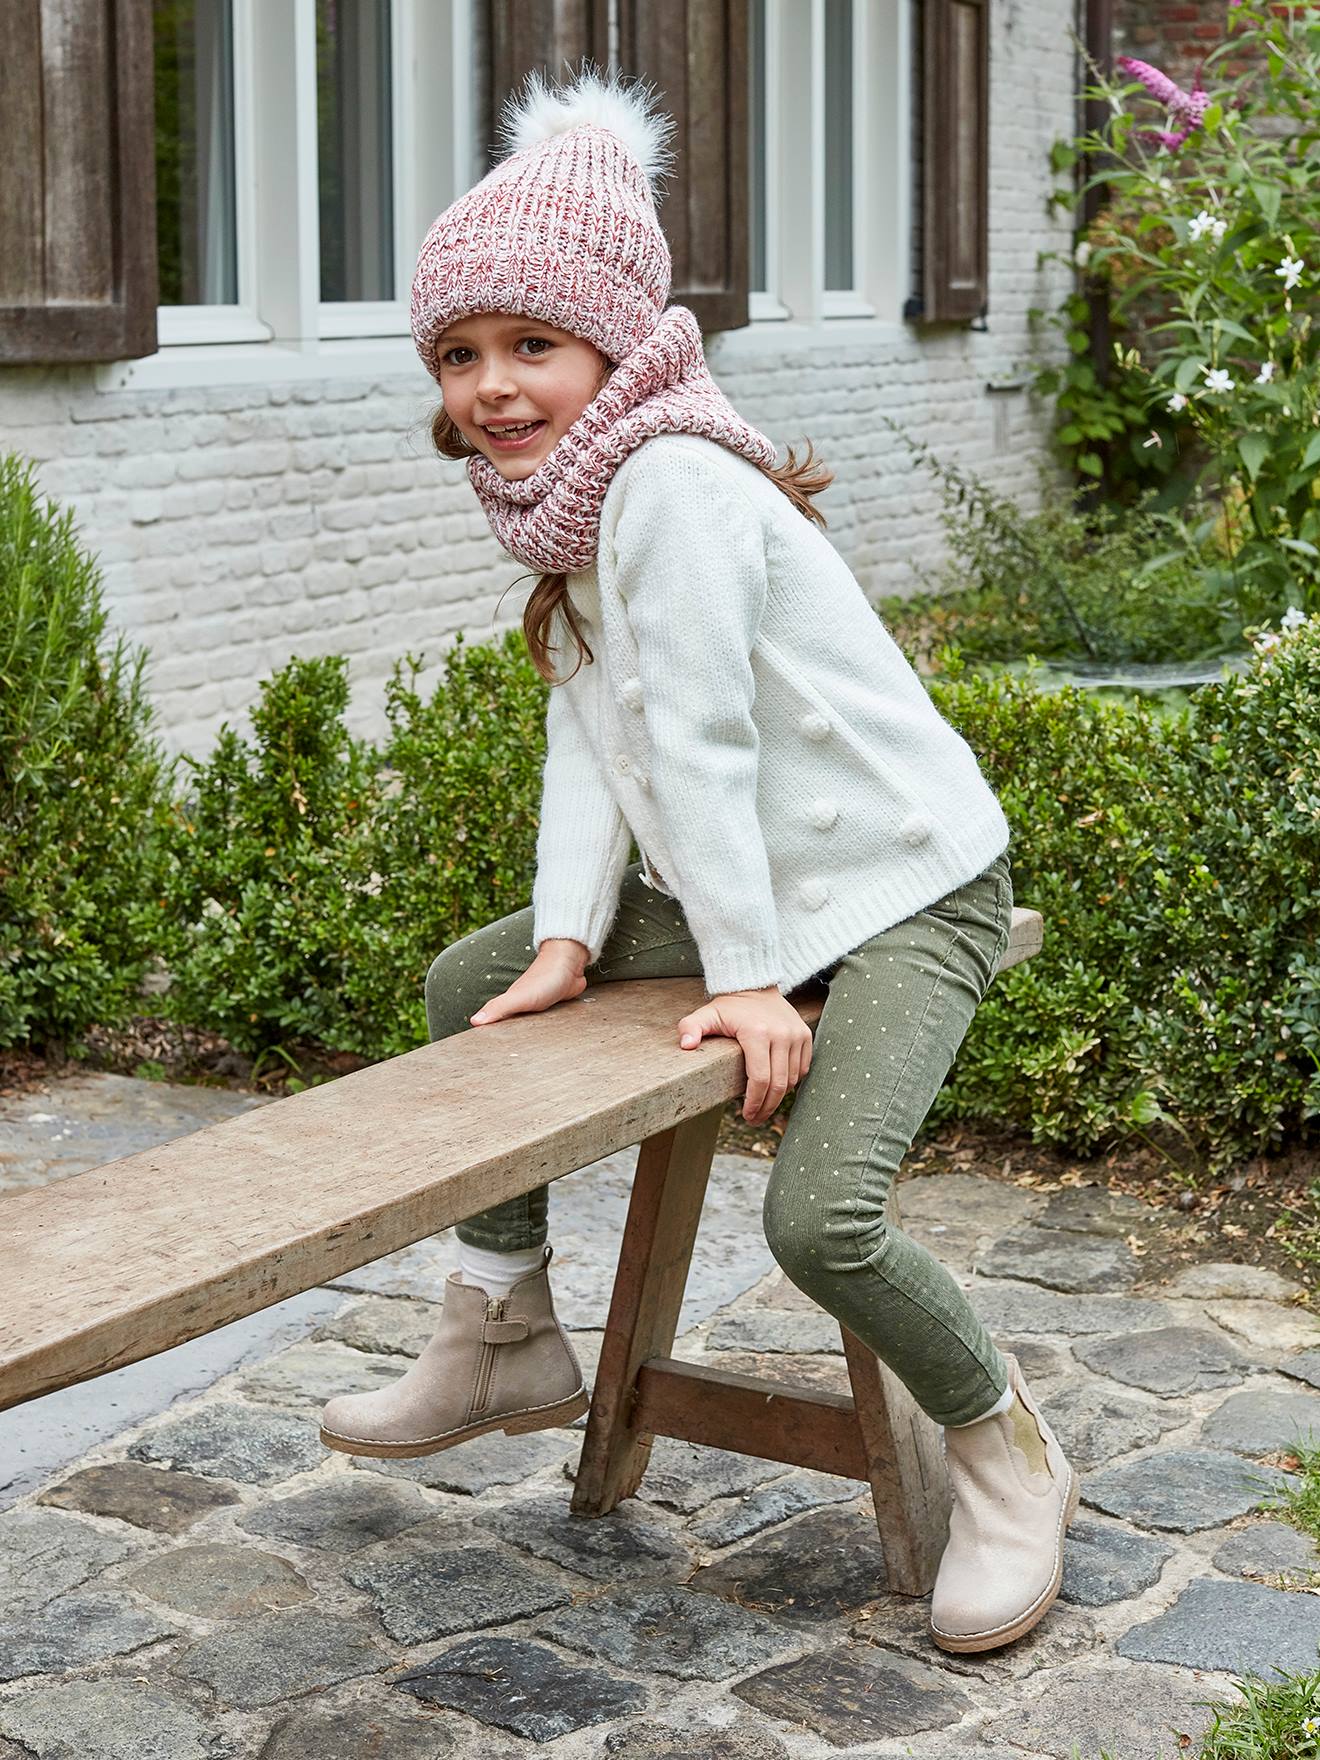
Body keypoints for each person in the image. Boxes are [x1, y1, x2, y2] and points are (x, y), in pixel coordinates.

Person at [319, 63, 1078, 1655]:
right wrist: (567, 939)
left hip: (901, 885)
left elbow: (708, 744)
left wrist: (744, 978)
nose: (493, 387)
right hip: (773, 887)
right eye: (461, 354)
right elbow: (600, 737)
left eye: (532, 345)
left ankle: (1005, 1452)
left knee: (824, 1223)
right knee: (474, 983)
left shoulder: (665, 480)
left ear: (619, 342)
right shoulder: (569, 504)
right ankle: (506, 1328)